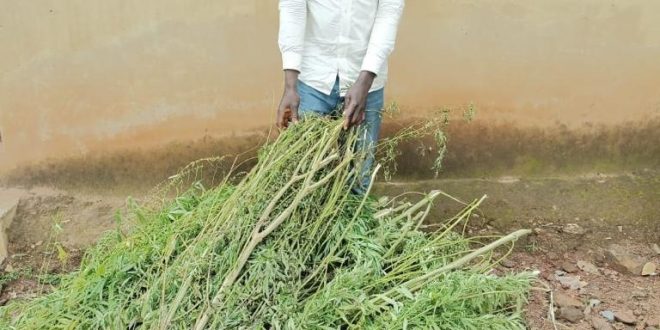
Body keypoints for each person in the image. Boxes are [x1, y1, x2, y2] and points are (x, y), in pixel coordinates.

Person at [276, 0, 405, 194]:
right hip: (314, 79)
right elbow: (292, 10)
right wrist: (290, 86)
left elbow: (388, 15)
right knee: (305, 180)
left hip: (366, 82)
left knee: (358, 180)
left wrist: (365, 81)